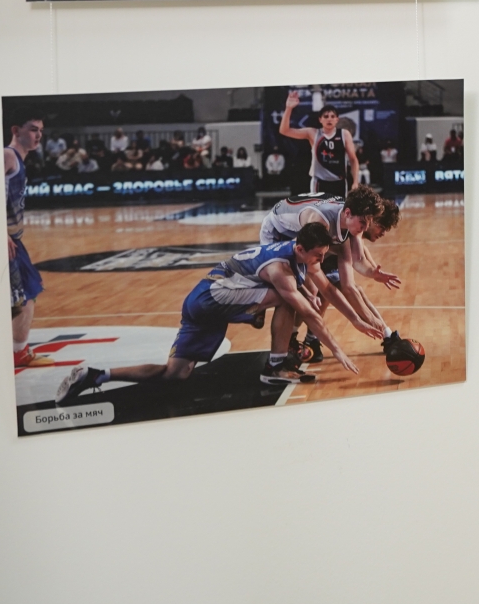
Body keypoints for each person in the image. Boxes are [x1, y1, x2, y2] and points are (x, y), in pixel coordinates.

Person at [56, 221, 376, 399]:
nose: (320, 261)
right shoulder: (280, 268)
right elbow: (310, 313)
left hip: (202, 301)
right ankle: (275, 366)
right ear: (300, 248)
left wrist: (356, 320)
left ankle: (96, 375)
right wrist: (337, 349)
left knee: (176, 373)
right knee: (288, 299)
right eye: (318, 256)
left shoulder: (298, 254)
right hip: (213, 297)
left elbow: (326, 291)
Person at [256, 186, 405, 361]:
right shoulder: (320, 222)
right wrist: (358, 320)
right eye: (364, 224)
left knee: (319, 290)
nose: (365, 228)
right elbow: (325, 285)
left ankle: (301, 339)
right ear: (348, 213)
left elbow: (354, 270)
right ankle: (279, 339)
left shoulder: (351, 222)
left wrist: (373, 274)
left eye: (368, 223)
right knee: (303, 293)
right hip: (278, 233)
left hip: (304, 233)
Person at [4, 114, 56, 368]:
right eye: (33, 129)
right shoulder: (7, 155)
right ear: (16, 130)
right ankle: (18, 352)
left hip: (12, 239)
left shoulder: (19, 159)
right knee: (24, 294)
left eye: (41, 131)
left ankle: (18, 350)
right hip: (3, 239)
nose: (38, 135)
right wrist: (0, 233)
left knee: (27, 292)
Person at [277, 91, 359, 197]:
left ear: (337, 120)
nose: (329, 119)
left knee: (340, 208)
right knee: (318, 208)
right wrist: (288, 108)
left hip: (339, 182)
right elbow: (284, 131)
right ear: (320, 119)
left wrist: (355, 181)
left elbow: (353, 159)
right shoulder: (313, 133)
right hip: (319, 182)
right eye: (326, 116)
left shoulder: (344, 134)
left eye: (332, 116)